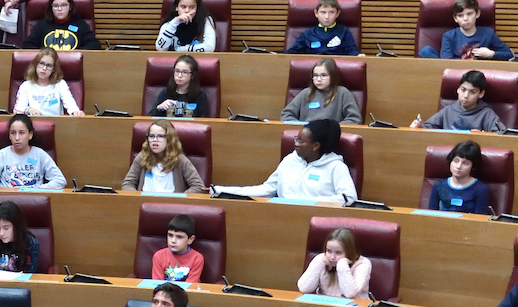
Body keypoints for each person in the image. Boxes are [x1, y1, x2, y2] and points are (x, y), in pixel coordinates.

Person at [214, 119, 357, 203]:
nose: (295, 144)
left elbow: (349, 198)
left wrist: (311, 203)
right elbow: (266, 190)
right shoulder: (290, 160)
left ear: (316, 146)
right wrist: (221, 190)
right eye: (296, 138)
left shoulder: (335, 167)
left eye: (301, 141)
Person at [0, 114, 67, 189]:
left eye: (21, 133)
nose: (17, 138)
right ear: (9, 136)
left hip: (34, 201)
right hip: (7, 200)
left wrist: (37, 190)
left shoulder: (40, 154)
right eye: (13, 133)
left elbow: (60, 180)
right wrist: (4, 191)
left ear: (30, 135)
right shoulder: (2, 155)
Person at [122, 120, 207, 194]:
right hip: (145, 204)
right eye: (151, 136)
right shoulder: (142, 157)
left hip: (171, 207)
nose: (155, 140)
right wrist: (135, 198)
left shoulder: (180, 160)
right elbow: (128, 184)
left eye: (160, 136)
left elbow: (198, 186)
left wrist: (179, 199)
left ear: (169, 139)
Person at [419, 0, 513, 61]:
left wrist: (491, 54)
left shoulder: (488, 33)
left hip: (478, 75)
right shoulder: (449, 36)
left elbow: (509, 54)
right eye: (460, 15)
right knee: (426, 51)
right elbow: (446, 63)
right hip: (456, 73)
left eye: (469, 14)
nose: (465, 19)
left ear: (477, 14)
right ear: (455, 18)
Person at [412, 70, 508, 133]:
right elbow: (428, 127)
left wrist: (484, 136)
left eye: (472, 92)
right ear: (458, 89)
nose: (466, 96)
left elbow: (501, 134)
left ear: (481, 94)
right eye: (463, 90)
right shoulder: (448, 110)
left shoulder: (486, 114)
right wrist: (418, 126)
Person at [298, 227, 373, 299]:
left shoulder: (362, 264)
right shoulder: (321, 259)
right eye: (329, 251)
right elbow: (304, 288)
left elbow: (350, 293)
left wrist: (342, 265)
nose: (332, 257)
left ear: (350, 252)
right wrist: (319, 262)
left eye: (338, 253)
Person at [281, 58, 362, 125]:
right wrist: (303, 127)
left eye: (323, 75)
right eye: (315, 75)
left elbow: (354, 119)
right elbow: (286, 114)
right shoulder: (306, 92)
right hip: (307, 137)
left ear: (333, 76)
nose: (318, 79)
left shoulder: (342, 93)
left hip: (331, 136)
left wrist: (333, 129)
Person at [12, 49, 85, 117]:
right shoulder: (26, 86)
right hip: (32, 124)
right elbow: (17, 110)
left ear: (53, 69)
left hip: (56, 124)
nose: (44, 68)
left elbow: (71, 105)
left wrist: (76, 112)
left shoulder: (60, 84)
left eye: (49, 65)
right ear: (35, 65)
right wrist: (28, 110)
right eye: (41, 63)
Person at [429, 140, 493, 214]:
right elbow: (431, 215)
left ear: (473, 167)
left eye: (465, 163)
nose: (458, 166)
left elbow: (480, 220)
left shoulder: (480, 189)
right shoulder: (438, 186)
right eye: (456, 161)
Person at [27, 0, 100, 51]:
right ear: (51, 8)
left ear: (70, 7)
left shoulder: (80, 24)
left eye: (64, 5)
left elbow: (94, 45)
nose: (59, 9)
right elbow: (28, 45)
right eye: (55, 6)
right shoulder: (42, 25)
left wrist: (75, 55)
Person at [0, 200, 40, 273]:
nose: (1, 233)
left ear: (17, 226)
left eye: (6, 228)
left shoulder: (31, 244)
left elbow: (30, 273)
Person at [287, 0, 358, 56]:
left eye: (331, 12)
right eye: (323, 12)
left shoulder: (344, 32)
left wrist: (358, 55)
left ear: (337, 13)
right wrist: (277, 55)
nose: (327, 17)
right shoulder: (308, 33)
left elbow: (352, 51)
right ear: (316, 13)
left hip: (335, 68)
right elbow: (293, 52)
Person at [149, 54, 212, 119]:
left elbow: (203, 122)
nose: (179, 75)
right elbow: (148, 120)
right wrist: (159, 108)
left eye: (184, 72)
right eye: (177, 71)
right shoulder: (165, 92)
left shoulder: (200, 96)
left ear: (192, 75)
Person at [151, 214, 205, 283]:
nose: (173, 241)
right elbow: (157, 284)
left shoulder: (197, 258)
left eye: (179, 237)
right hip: (164, 292)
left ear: (190, 239)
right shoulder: (159, 256)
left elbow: (191, 285)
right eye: (170, 235)